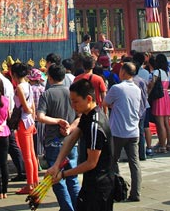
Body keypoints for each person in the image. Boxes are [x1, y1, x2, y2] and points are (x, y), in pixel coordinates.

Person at [46, 78, 114, 211]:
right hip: (91, 182)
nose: (73, 105)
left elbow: (91, 163)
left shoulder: (95, 125)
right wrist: (56, 165)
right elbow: (71, 138)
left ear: (88, 99)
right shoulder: (86, 116)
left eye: (76, 101)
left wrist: (64, 175)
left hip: (100, 185)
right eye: (71, 101)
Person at [37, 63, 79, 211]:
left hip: (53, 142)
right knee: (72, 178)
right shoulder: (72, 93)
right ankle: (77, 206)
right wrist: (69, 128)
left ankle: (67, 208)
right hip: (71, 141)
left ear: (50, 77)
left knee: (57, 179)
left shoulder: (47, 94)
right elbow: (80, 117)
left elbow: (40, 117)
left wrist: (57, 121)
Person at [104, 61, 144, 203]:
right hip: (134, 131)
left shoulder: (117, 88)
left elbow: (105, 102)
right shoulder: (137, 89)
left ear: (124, 72)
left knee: (112, 161)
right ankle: (136, 193)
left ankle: (116, 190)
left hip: (118, 131)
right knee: (135, 163)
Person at [0, 59, 25, 181]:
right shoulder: (6, 81)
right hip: (5, 116)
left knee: (4, 148)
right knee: (6, 148)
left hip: (2, 119)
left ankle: (21, 170)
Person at [11, 61, 39, 195]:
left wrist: (28, 112)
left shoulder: (19, 88)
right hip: (29, 121)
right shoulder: (27, 85)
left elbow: (26, 107)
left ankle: (29, 185)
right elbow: (32, 106)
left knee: (27, 155)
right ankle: (35, 181)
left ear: (14, 74)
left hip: (22, 122)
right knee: (32, 154)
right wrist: (32, 119)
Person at [146, 54, 170, 153]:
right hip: (166, 96)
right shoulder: (167, 72)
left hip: (159, 97)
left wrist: (148, 94)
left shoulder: (157, 72)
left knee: (160, 123)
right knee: (167, 122)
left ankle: (162, 146)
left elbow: (152, 84)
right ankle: (169, 144)